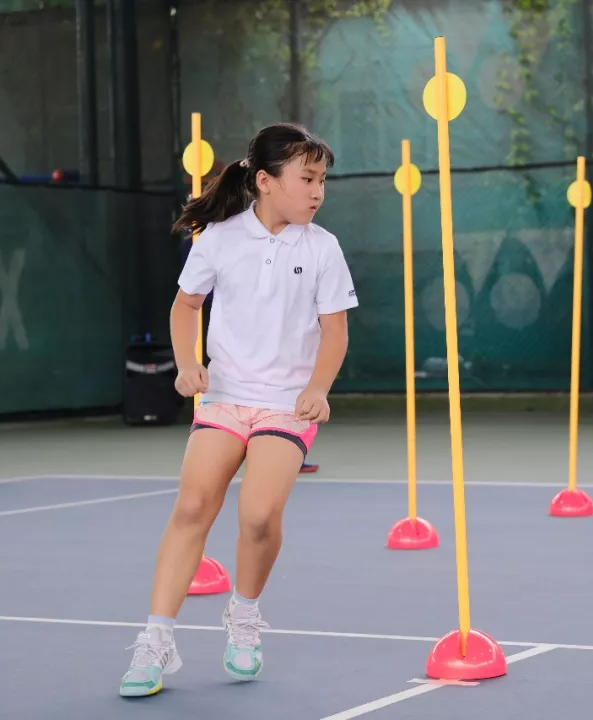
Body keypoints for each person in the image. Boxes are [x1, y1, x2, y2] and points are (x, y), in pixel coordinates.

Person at [119, 122, 358, 698]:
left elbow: (334, 332)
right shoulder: (219, 239)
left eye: (322, 180)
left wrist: (319, 388)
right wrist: (186, 364)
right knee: (193, 506)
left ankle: (244, 615)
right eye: (307, 179)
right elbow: (185, 306)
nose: (317, 191)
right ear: (266, 181)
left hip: (287, 407)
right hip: (225, 398)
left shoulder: (322, 248)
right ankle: (155, 640)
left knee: (257, 515)